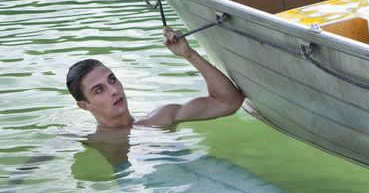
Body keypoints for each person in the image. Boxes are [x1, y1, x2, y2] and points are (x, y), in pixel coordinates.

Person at [66, 27, 245, 129]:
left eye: (112, 80)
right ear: (85, 105)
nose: (114, 90)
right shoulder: (87, 139)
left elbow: (229, 102)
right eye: (99, 90)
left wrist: (189, 54)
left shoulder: (160, 118)